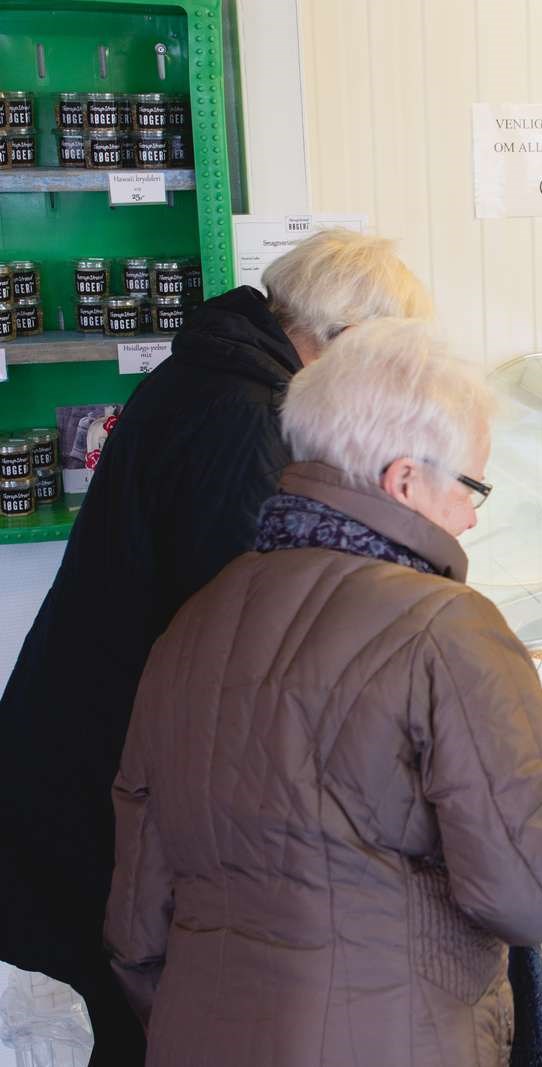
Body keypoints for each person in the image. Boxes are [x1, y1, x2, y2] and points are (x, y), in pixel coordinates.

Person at [104, 320, 542, 1067]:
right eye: (473, 485)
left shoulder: (198, 619)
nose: (474, 515)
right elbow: (540, 888)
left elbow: (136, 924)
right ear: (405, 480)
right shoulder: (446, 627)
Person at [0, 230, 431, 1065]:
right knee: (139, 1015)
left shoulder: (214, 370)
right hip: (102, 768)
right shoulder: (244, 411)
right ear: (341, 337)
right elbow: (241, 625)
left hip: (78, 740)